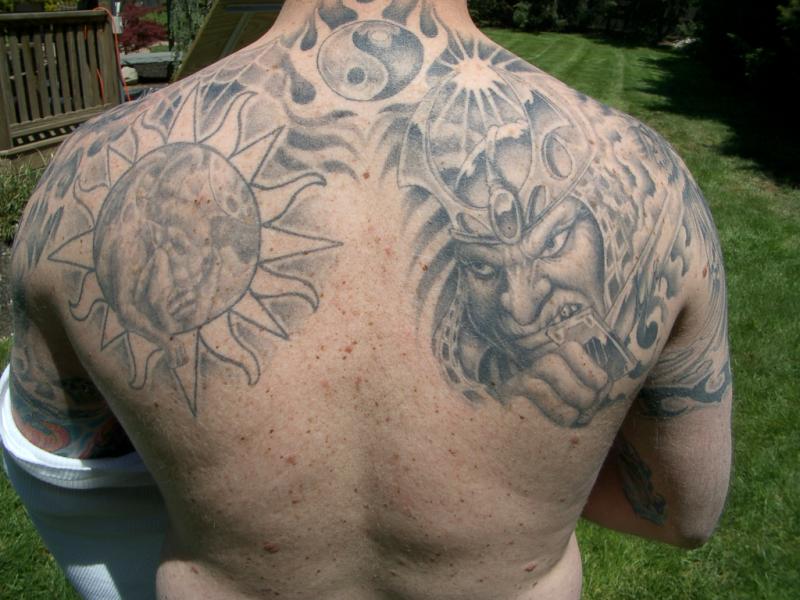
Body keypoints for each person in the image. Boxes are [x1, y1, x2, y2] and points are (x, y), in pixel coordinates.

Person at [2, 0, 732, 598]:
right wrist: (537, 480)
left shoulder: (87, 179)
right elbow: (683, 512)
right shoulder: (650, 180)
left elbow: (61, 465)